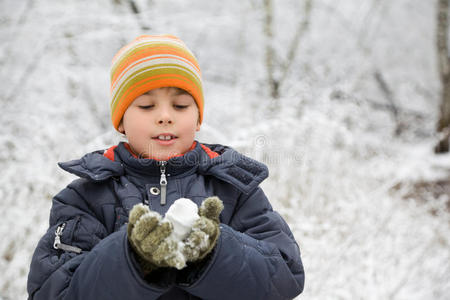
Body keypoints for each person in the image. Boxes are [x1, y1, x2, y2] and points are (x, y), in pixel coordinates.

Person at [27, 34, 305, 299]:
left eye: (181, 105)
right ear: (121, 121)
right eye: (147, 106)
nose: (164, 116)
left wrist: (215, 252)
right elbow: (55, 290)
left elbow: (284, 278)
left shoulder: (235, 188)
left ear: (198, 119)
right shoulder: (85, 197)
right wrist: (132, 258)